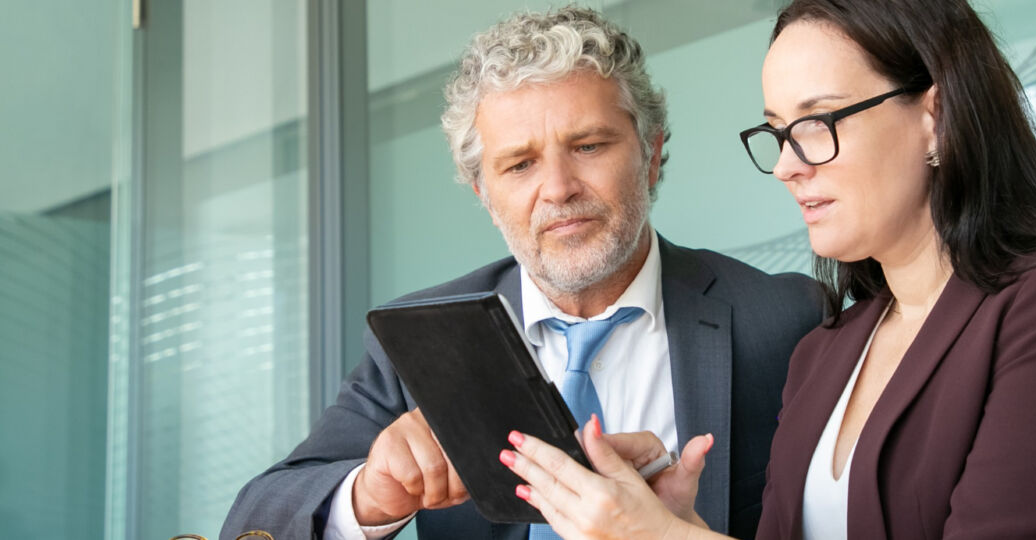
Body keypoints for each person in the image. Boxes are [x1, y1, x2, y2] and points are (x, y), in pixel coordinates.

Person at [502, 0, 1036, 538]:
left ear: (935, 117)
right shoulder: (826, 351)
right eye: (777, 131)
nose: (789, 164)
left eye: (818, 122)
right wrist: (679, 523)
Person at [219, 6, 825, 540]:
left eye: (588, 146)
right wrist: (369, 496)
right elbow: (257, 518)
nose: (558, 189)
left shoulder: (786, 320)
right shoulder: (415, 342)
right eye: (520, 164)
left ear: (652, 153)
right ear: (484, 191)